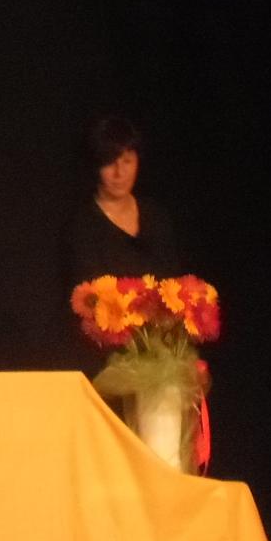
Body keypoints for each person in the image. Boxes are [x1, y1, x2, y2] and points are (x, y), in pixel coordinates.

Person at [62, 116, 183, 374]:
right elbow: (88, 297)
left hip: (159, 351)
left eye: (127, 161)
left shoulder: (156, 217)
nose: (119, 173)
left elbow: (174, 283)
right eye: (110, 163)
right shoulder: (83, 224)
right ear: (96, 166)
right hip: (106, 358)